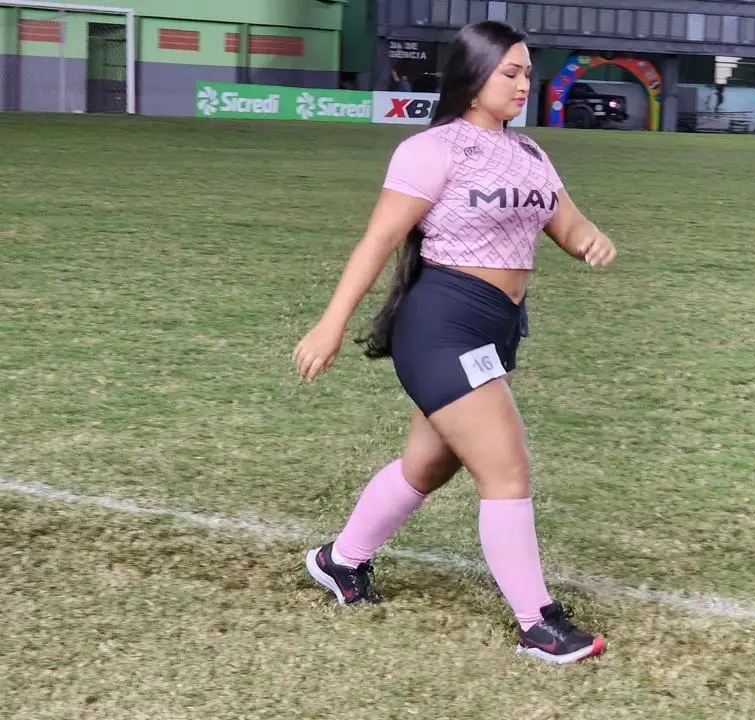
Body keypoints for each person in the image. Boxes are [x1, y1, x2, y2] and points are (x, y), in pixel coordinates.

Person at [291, 20, 616, 665]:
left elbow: (567, 223)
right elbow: (380, 240)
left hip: (497, 327)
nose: (523, 85)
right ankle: (538, 624)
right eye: (510, 73)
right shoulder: (432, 150)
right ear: (474, 75)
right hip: (442, 324)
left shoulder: (530, 153)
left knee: (429, 465)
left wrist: (590, 241)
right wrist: (331, 322)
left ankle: (340, 560)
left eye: (527, 74)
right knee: (506, 465)